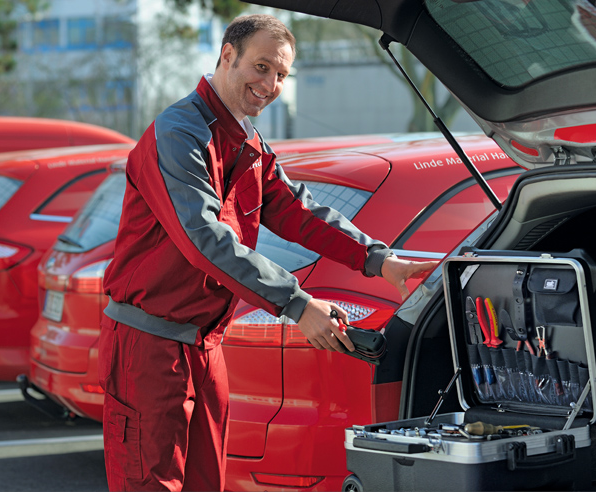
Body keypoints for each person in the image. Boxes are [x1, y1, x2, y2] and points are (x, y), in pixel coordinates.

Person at [98, 13, 436, 492]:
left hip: (205, 345)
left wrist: (381, 261)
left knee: (206, 484)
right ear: (227, 56)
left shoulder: (248, 141)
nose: (270, 84)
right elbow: (204, 238)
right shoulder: (178, 133)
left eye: (281, 74)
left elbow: (299, 211)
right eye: (261, 67)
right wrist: (296, 304)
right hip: (149, 348)